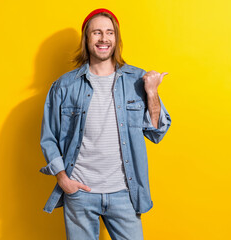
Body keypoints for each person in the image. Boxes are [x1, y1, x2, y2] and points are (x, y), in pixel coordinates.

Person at [39, 8, 171, 240]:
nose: (104, 38)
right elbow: (49, 137)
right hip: (79, 193)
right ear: (86, 38)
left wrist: (152, 93)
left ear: (116, 39)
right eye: (97, 33)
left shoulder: (137, 80)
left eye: (109, 33)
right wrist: (63, 179)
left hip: (125, 192)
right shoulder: (64, 86)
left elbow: (157, 132)